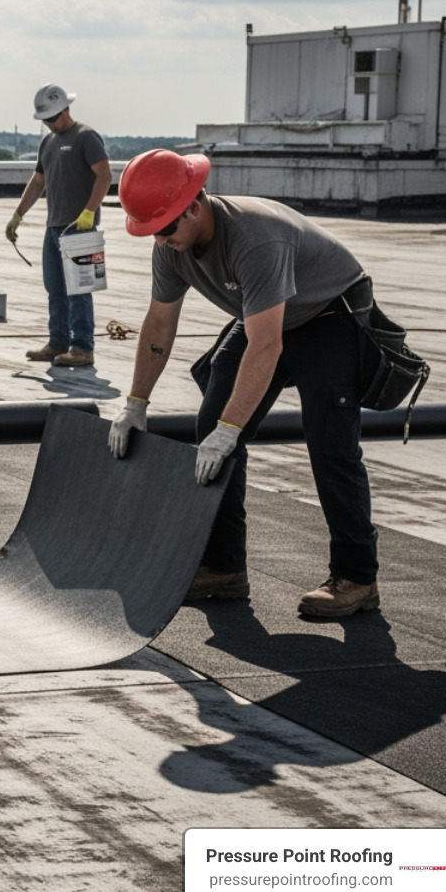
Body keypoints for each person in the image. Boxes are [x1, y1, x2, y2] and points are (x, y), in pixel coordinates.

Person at [107, 149, 381, 618]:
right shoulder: (170, 246)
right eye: (151, 231)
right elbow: (158, 324)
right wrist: (135, 402)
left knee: (330, 444)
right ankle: (224, 568)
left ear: (194, 205)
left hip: (327, 313)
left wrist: (232, 429)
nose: (160, 238)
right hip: (264, 317)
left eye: (166, 227)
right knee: (209, 426)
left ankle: (357, 577)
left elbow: (267, 348)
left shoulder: (255, 240)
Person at [5, 84, 112, 367]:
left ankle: (82, 348)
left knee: (78, 289)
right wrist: (18, 214)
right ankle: (58, 342)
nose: (49, 124)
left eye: (52, 118)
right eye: (45, 120)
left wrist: (89, 212)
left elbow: (104, 176)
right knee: (55, 288)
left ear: (66, 109)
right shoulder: (48, 143)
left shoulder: (86, 137)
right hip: (54, 226)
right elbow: (38, 181)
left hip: (80, 227)